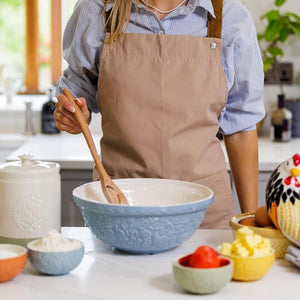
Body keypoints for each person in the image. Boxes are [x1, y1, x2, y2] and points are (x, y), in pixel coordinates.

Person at [54, 0, 265, 229]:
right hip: (120, 203)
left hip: (204, 212)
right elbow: (78, 94)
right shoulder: (96, 10)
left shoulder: (230, 16)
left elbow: (241, 127)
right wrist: (74, 115)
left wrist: (250, 219)